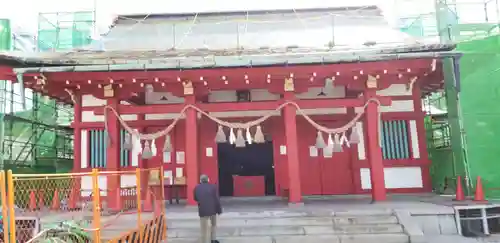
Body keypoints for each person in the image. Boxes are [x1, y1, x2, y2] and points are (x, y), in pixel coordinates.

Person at [194, 174, 222, 243]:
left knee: (203, 228)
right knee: (213, 225)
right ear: (208, 180)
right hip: (213, 209)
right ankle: (213, 239)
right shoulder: (213, 187)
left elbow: (195, 198)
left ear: (200, 181)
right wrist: (219, 210)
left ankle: (204, 241)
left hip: (202, 210)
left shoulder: (196, 188)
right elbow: (217, 199)